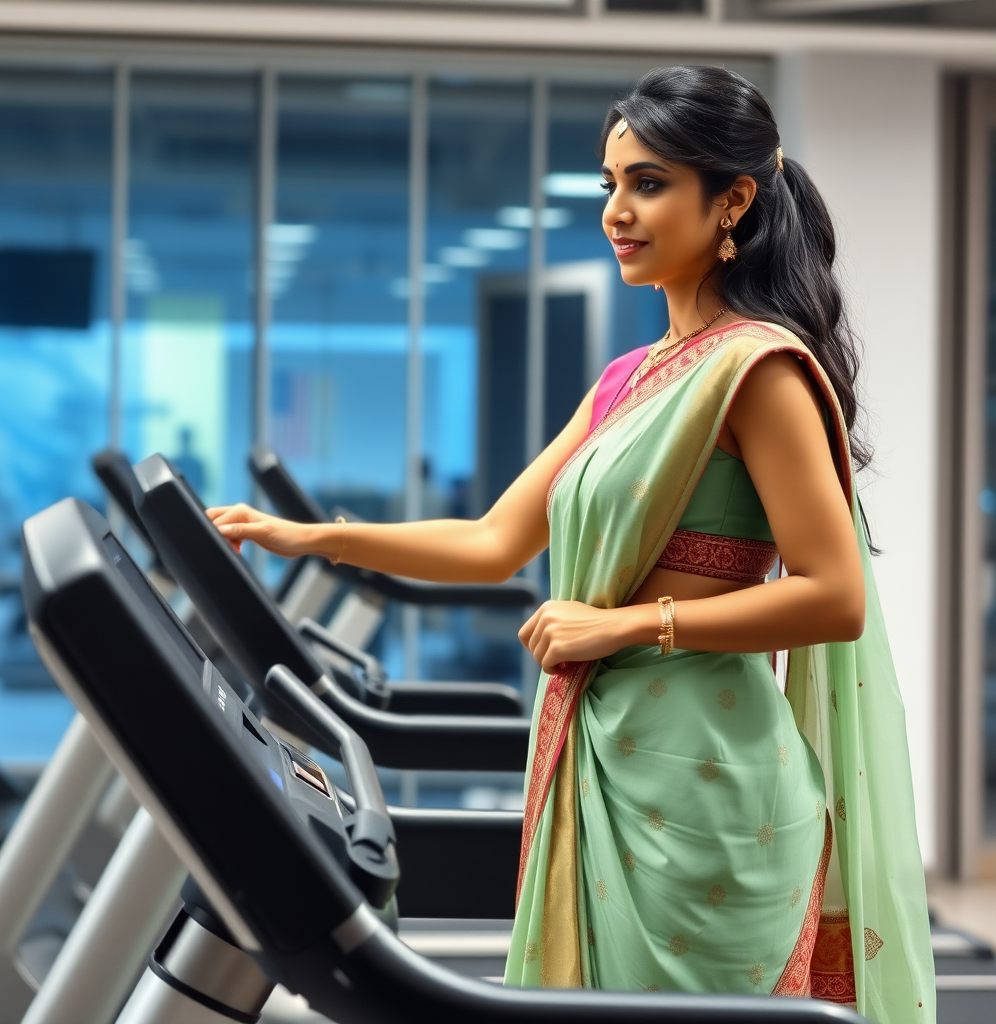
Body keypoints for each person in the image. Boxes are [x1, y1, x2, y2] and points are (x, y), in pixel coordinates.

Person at [207, 65, 934, 1024]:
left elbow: (835, 596)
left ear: (735, 202)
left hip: (709, 795)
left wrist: (623, 628)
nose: (618, 211)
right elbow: (491, 540)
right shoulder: (630, 378)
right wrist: (315, 536)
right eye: (610, 185)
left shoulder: (760, 372)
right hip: (606, 757)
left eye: (650, 183)